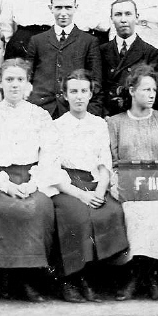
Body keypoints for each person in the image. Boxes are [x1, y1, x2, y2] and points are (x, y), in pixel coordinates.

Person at [0, 58, 59, 302]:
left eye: (20, 79)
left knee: (37, 207)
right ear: (0, 82)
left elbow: (49, 157)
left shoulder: (40, 116)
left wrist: (32, 184)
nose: (15, 84)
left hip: (32, 179)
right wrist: (6, 185)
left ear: (28, 84)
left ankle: (26, 279)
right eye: (9, 79)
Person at [51, 70, 129, 302]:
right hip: (67, 185)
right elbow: (52, 168)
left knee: (112, 211)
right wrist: (80, 195)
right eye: (73, 91)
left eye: (84, 91)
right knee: (77, 215)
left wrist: (100, 190)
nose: (79, 96)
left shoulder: (99, 124)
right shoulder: (56, 126)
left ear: (90, 94)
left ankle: (94, 276)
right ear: (65, 95)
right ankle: (71, 278)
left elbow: (105, 162)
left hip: (94, 183)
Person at [107, 65, 158, 301]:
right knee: (133, 211)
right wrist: (115, 183)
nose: (151, 94)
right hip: (127, 187)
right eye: (146, 89)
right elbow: (112, 161)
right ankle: (134, 274)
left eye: (154, 90)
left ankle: (152, 275)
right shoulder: (115, 122)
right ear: (132, 91)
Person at [26, 0, 103, 118]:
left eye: (68, 7)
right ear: (51, 8)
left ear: (76, 8)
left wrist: (89, 113)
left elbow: (96, 83)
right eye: (58, 7)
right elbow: (27, 78)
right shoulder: (37, 41)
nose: (63, 13)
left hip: (74, 111)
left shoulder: (88, 41)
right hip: (41, 110)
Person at [99, 0, 158, 116]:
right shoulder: (101, 51)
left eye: (128, 14)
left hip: (137, 116)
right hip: (108, 116)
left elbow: (156, 93)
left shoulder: (150, 53)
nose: (123, 20)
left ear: (137, 17)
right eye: (118, 14)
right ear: (111, 19)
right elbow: (97, 88)